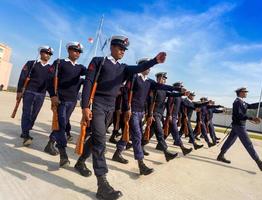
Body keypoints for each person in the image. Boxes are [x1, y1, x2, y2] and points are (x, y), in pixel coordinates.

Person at [75, 35, 167, 200]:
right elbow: (88, 82)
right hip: (97, 105)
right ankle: (102, 184)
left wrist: (154, 61)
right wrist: (84, 107)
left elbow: (140, 68)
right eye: (120, 48)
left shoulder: (124, 68)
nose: (122, 52)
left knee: (96, 138)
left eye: (124, 50)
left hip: (111, 108)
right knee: (100, 141)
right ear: (112, 47)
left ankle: (81, 161)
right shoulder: (98, 61)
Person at [45, 42, 87, 168]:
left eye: (79, 52)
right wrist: (52, 95)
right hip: (60, 100)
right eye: (75, 50)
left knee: (61, 123)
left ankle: (50, 143)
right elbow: (49, 79)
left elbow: (91, 73)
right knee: (62, 125)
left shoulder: (80, 67)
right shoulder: (59, 63)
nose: (77, 53)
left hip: (72, 101)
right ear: (69, 50)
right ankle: (63, 154)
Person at [217, 87, 262, 171]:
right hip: (239, 126)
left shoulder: (242, 102)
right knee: (248, 144)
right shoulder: (237, 102)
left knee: (230, 140)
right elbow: (239, 115)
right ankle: (260, 163)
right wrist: (252, 118)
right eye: (245, 92)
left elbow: (252, 105)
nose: (246, 93)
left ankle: (220, 155)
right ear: (240, 93)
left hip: (237, 125)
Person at [16, 46, 53, 146]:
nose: (48, 55)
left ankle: (26, 129)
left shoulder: (51, 68)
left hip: (41, 94)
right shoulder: (31, 63)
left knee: (34, 114)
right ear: (41, 53)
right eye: (46, 53)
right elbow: (22, 77)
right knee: (26, 113)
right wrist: (19, 91)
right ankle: (26, 134)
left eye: (50, 54)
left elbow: (52, 83)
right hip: (29, 92)